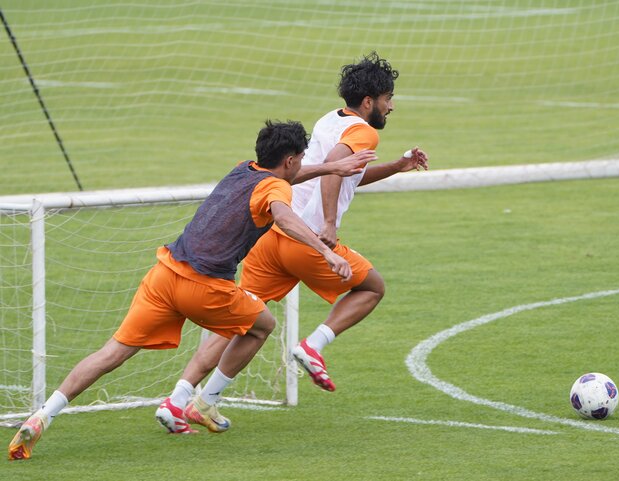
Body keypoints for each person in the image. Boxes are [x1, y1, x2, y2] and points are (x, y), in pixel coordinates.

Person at [7, 120, 377, 460]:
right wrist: (327, 252)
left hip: (163, 275)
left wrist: (331, 168)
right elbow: (284, 214)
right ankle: (205, 402)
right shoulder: (277, 188)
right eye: (300, 160)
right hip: (204, 287)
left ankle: (43, 415)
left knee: (112, 353)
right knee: (262, 326)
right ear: (291, 159)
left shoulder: (243, 169)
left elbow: (284, 180)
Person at [155, 51, 428, 434]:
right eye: (388, 99)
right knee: (372, 288)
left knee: (240, 322)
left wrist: (397, 166)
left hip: (271, 238)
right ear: (369, 101)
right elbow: (334, 169)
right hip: (305, 238)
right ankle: (313, 345)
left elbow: (346, 173)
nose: (391, 106)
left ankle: (188, 400)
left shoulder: (329, 120)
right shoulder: (365, 131)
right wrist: (329, 224)